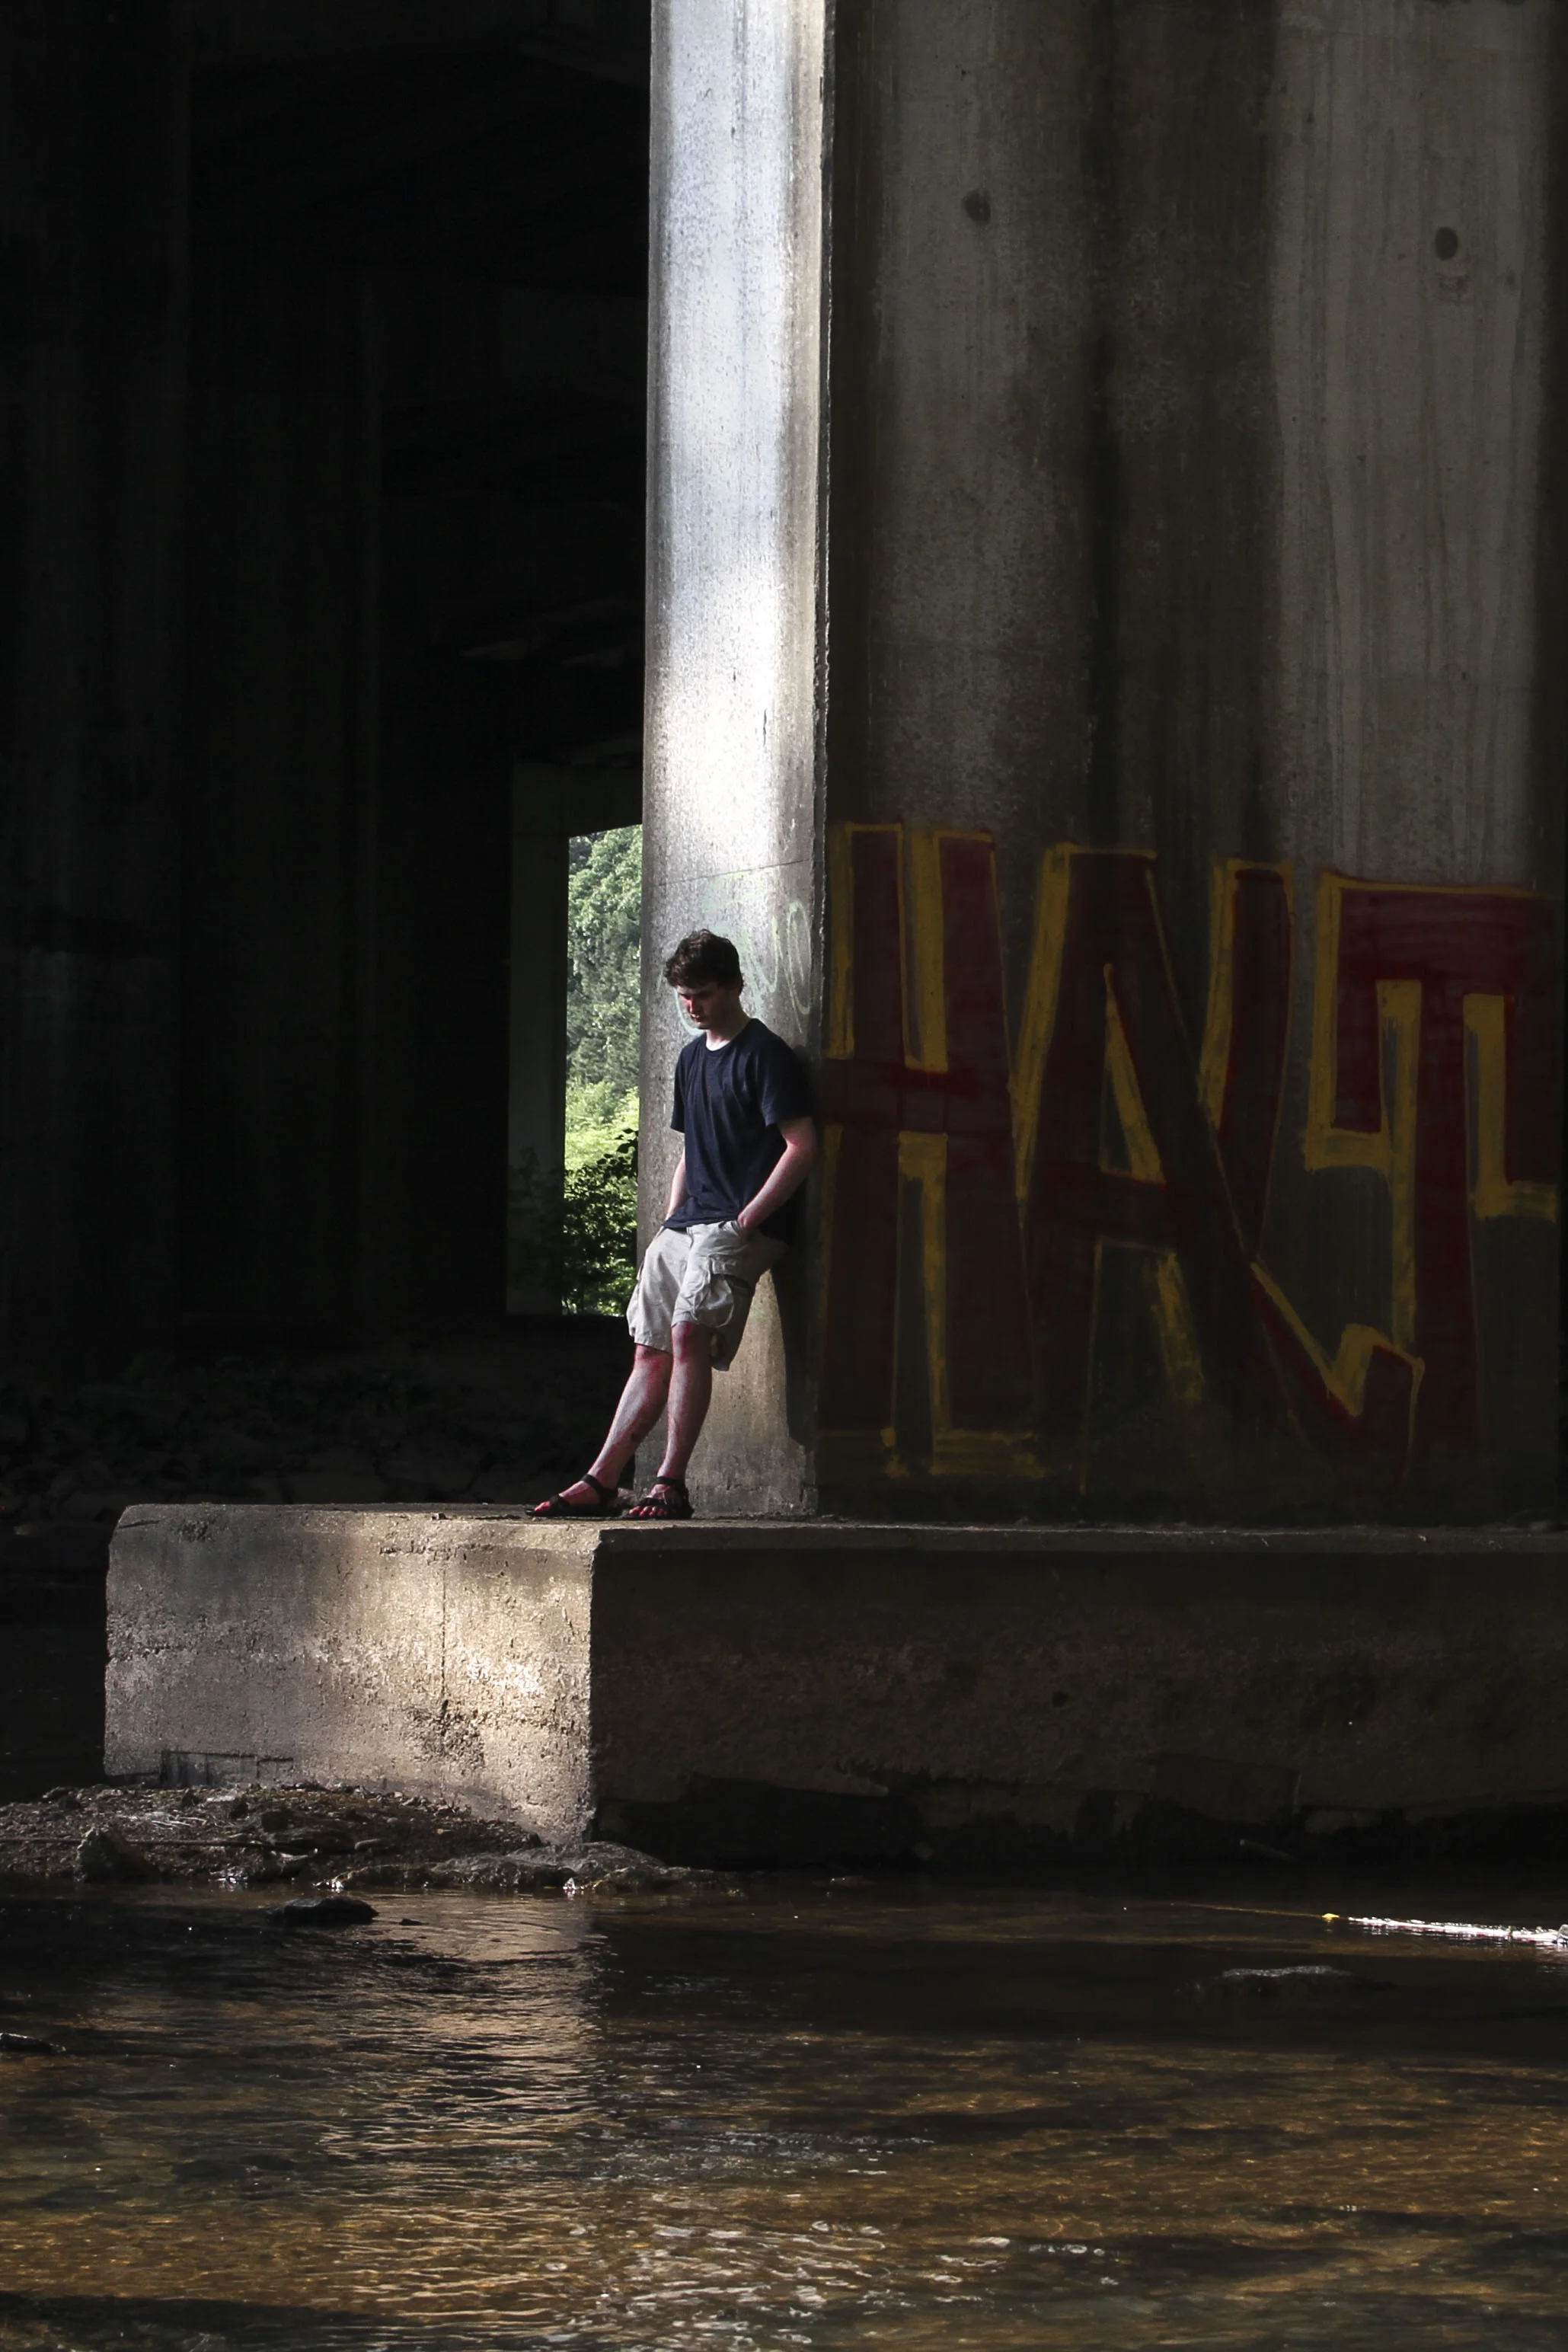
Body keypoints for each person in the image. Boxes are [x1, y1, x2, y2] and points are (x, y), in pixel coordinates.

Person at [534, 928, 816, 1521]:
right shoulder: (690, 1059)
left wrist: (749, 1217)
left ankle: (670, 1484)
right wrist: (669, 1218)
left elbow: (801, 1145)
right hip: (687, 1222)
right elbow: (692, 1149)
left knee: (688, 1334)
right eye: (685, 996)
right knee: (649, 1345)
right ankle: (602, 1480)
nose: (693, 1006)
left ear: (735, 986)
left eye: (704, 994)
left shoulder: (765, 1055)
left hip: (739, 1225)